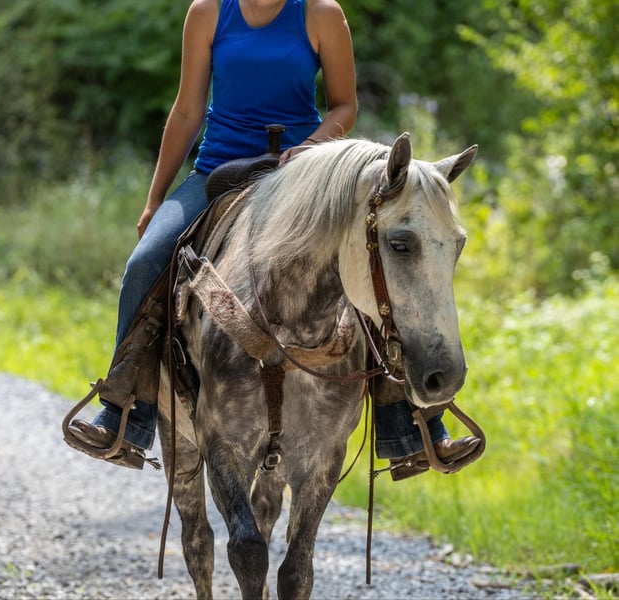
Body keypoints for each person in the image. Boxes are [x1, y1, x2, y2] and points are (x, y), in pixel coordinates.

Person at [65, 0, 480, 479]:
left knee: (368, 264)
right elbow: (187, 110)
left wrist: (307, 148)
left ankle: (411, 428)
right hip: (218, 169)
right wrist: (155, 198)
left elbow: (344, 106)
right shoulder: (207, 12)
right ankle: (124, 411)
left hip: (303, 178)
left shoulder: (322, 14)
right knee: (145, 262)